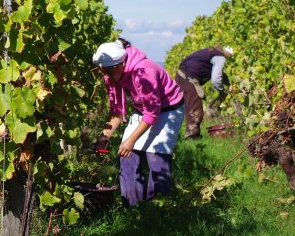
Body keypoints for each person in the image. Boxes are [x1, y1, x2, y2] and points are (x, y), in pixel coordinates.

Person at [93, 39, 184, 207]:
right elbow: (117, 110)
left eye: (109, 72)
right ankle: (132, 207)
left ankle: (157, 210)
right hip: (142, 109)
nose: (107, 76)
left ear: (120, 64)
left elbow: (152, 112)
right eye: (103, 72)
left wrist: (132, 139)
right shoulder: (110, 75)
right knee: (126, 156)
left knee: (157, 158)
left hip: (168, 109)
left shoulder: (144, 71)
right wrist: (104, 137)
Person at [175, 45, 233, 139]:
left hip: (181, 76)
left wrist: (229, 83)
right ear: (227, 52)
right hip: (188, 79)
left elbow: (220, 74)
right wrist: (222, 91)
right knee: (195, 108)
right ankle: (192, 136)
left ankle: (185, 134)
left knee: (187, 106)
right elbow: (216, 78)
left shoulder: (211, 53)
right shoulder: (220, 57)